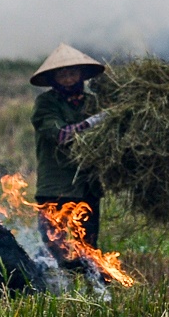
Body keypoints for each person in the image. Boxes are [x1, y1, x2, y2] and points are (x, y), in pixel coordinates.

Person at [29, 43, 107, 269]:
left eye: (73, 73)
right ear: (53, 79)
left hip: (87, 186)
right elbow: (62, 135)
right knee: (55, 250)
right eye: (62, 74)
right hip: (56, 188)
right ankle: (54, 285)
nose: (68, 79)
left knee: (89, 249)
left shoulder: (93, 103)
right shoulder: (46, 104)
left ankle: (92, 285)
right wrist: (93, 122)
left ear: (82, 75)